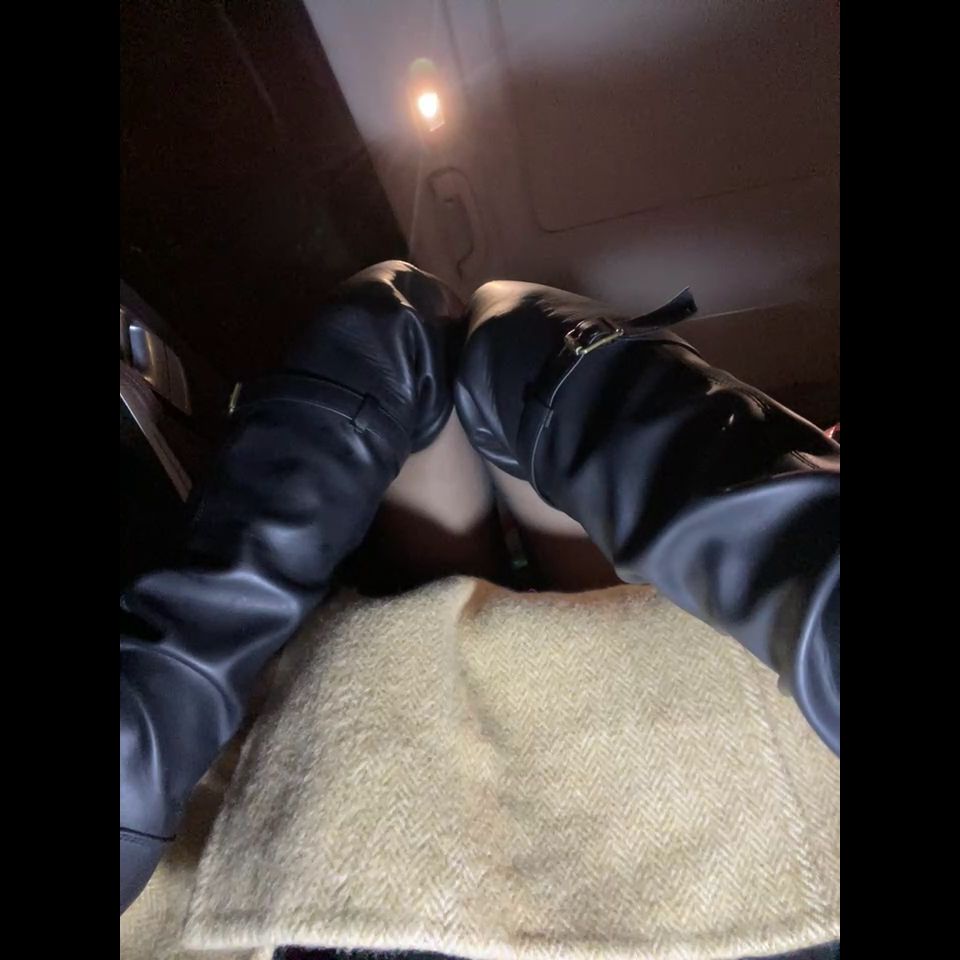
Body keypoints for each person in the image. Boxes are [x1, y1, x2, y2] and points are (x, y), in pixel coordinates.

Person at [120, 260, 839, 914]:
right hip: (736, 841)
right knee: (469, 348)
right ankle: (480, 380)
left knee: (444, 338)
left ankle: (471, 383)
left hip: (364, 865)